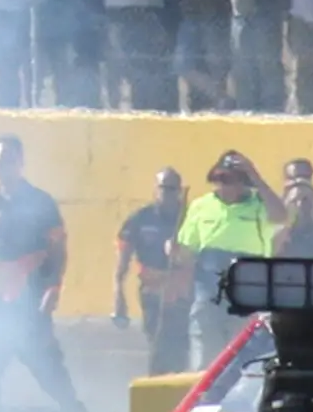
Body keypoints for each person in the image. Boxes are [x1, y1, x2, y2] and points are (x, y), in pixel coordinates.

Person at [0, 134, 91, 412]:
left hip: (29, 304)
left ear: (20, 162)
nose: (1, 166)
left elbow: (58, 249)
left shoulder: (41, 203)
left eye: (7, 160)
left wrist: (54, 288)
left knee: (50, 375)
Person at [172, 149, 284, 370]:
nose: (223, 185)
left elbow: (281, 216)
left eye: (230, 180)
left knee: (244, 359)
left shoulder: (258, 205)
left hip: (247, 293)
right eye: (219, 179)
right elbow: (187, 252)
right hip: (209, 292)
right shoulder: (200, 206)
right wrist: (174, 251)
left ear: (243, 182)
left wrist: (256, 177)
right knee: (205, 357)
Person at [114, 166, 188, 375]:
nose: (167, 193)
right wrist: (118, 294)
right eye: (163, 188)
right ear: (155, 189)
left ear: (179, 191)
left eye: (172, 189)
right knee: (157, 344)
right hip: (153, 295)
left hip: (183, 295)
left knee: (181, 349)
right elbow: (123, 258)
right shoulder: (140, 219)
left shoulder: (190, 218)